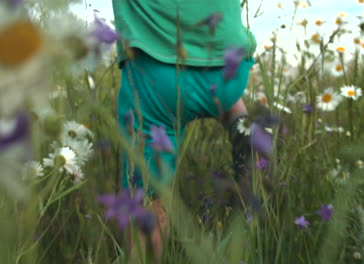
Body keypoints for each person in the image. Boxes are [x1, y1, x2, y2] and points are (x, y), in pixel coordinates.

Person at [111, 0, 272, 260]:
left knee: (148, 199)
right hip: (230, 69)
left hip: (158, 71)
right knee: (218, 93)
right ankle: (242, 126)